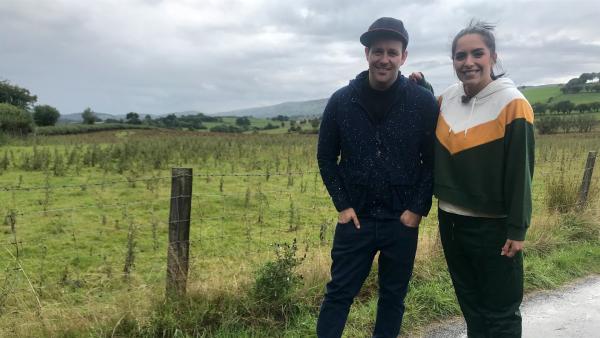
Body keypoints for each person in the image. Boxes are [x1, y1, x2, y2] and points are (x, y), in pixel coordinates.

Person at [316, 17, 438, 338]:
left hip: (402, 220)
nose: (385, 59)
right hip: (355, 219)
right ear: (366, 53)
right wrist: (342, 205)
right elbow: (326, 157)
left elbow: (432, 160)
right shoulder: (342, 100)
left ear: (404, 56)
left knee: (393, 298)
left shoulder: (421, 101)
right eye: (378, 51)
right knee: (339, 294)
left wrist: (416, 209)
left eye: (392, 52)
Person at [412, 20, 535, 337]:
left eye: (476, 53)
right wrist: (424, 89)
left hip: (493, 226)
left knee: (501, 312)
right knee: (471, 305)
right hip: (450, 220)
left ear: (492, 56)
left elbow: (521, 171)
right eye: (459, 56)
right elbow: (440, 122)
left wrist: (517, 229)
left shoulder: (513, 104)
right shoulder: (448, 98)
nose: (468, 63)